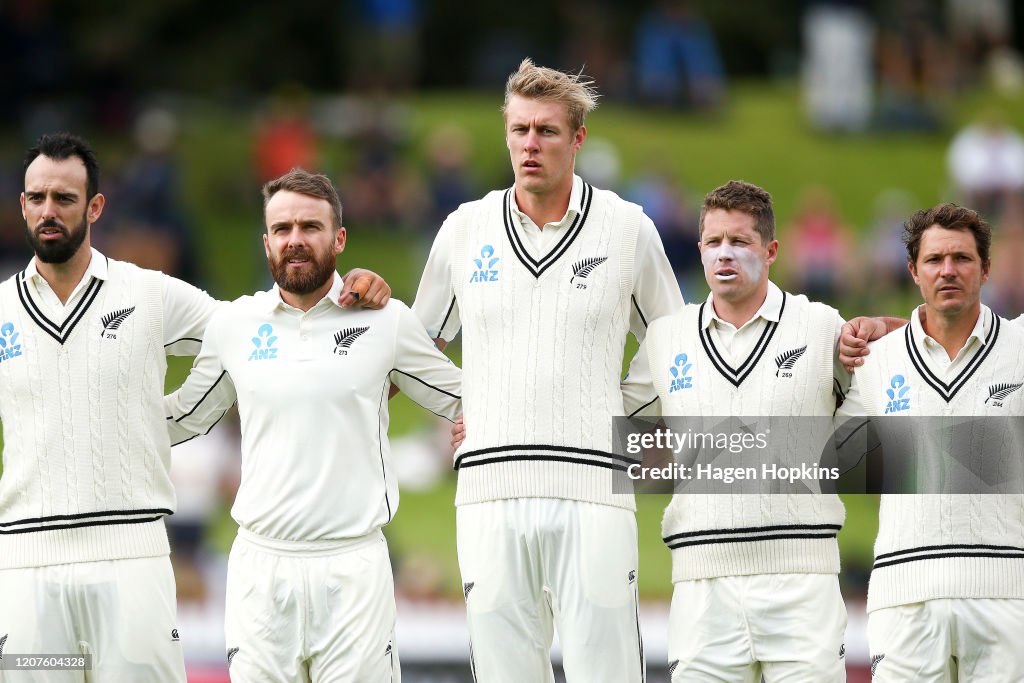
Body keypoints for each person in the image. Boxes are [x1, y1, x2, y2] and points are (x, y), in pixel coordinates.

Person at [0, 133, 388, 682]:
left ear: (94, 207)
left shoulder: (149, 295)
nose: (48, 211)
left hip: (130, 559)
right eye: (36, 198)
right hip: (24, 565)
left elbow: (264, 329)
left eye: (64, 199)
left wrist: (354, 291)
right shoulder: (2, 314)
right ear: (22, 204)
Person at [411, 58, 683, 682]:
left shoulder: (627, 228)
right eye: (520, 130)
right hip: (489, 489)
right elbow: (416, 344)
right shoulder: (464, 230)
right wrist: (464, 403)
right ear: (506, 134)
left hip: (593, 487)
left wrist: (625, 407)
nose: (530, 144)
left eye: (547, 131)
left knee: (606, 671)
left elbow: (675, 342)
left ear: (577, 138)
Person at [164, 168, 461, 681]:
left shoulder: (386, 321)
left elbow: (463, 398)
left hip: (353, 568)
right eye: (282, 230)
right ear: (266, 243)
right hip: (261, 568)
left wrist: (483, 423)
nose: (295, 240)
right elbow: (184, 417)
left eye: (310, 227)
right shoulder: (235, 326)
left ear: (339, 238)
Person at [622, 180, 852, 681]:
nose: (725, 254)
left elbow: (903, 380)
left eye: (740, 242)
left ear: (770, 251)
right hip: (703, 587)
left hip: (802, 581)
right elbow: (611, 423)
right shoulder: (667, 338)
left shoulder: (819, 326)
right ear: (700, 248)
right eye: (714, 242)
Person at [836, 203, 1024, 682]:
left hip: (1007, 595)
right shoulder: (874, 360)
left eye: (962, 258)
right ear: (912, 271)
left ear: (985, 268)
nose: (948, 270)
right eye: (934, 260)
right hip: (904, 595)